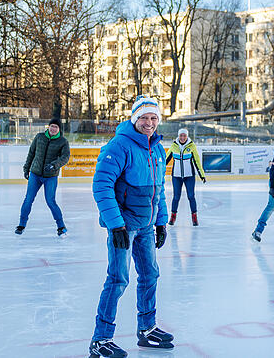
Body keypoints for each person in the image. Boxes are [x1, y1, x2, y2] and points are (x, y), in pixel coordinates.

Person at [89, 96, 173, 357]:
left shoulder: (157, 148)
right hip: (124, 227)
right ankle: (100, 340)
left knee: (150, 275)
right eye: (144, 118)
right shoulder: (119, 146)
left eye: (153, 118)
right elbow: (101, 186)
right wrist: (115, 226)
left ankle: (147, 329)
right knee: (118, 279)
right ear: (135, 119)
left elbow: (158, 190)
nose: (149, 123)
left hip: (146, 226)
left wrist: (161, 222)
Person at [16, 117, 71, 236]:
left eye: (56, 127)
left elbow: (65, 158)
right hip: (35, 174)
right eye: (52, 126)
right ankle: (21, 225)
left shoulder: (63, 142)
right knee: (28, 199)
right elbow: (31, 153)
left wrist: (54, 165)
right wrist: (26, 169)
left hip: (50, 176)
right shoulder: (39, 137)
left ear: (59, 129)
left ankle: (61, 226)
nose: (53, 129)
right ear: (48, 126)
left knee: (50, 201)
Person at [166, 128, 206, 226]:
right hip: (176, 176)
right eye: (181, 135)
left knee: (191, 196)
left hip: (189, 176)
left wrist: (202, 175)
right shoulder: (174, 146)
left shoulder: (192, 146)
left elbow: (197, 161)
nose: (182, 137)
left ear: (187, 136)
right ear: (178, 136)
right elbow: (165, 160)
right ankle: (173, 217)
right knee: (176, 197)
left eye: (184, 135)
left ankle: (194, 217)